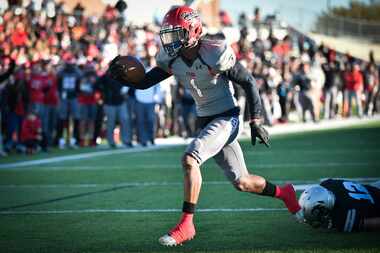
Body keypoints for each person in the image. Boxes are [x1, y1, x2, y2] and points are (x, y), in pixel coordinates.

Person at [109, 6, 302, 246]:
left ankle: (187, 225)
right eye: (168, 34)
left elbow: (248, 81)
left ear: (193, 30)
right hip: (206, 120)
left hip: (227, 117)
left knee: (191, 158)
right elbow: (146, 81)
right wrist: (125, 77)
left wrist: (256, 120)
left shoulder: (214, 52)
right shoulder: (172, 59)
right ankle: (286, 194)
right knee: (242, 181)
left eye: (176, 34)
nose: (170, 40)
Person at [299, 179, 380, 232]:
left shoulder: (343, 217)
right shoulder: (327, 184)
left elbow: (369, 223)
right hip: (372, 189)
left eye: (319, 213)